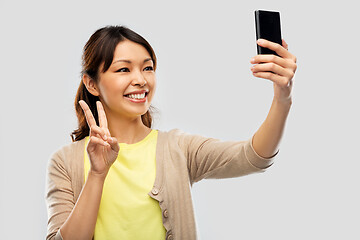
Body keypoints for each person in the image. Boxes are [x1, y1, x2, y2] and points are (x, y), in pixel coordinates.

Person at [45, 25, 297, 240]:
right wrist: (97, 175)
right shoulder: (65, 162)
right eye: (124, 69)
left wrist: (282, 97)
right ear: (92, 84)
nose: (141, 80)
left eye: (147, 67)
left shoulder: (177, 148)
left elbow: (254, 156)